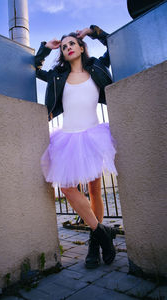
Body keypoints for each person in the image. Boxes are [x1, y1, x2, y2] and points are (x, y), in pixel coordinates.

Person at [35, 25, 118, 269]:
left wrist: (92, 31)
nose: (68, 47)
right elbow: (34, 68)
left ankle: (95, 244)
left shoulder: (97, 67)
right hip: (68, 138)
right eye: (64, 46)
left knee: (94, 190)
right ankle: (103, 234)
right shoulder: (57, 75)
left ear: (81, 48)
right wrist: (44, 49)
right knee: (68, 188)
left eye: (72, 43)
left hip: (94, 135)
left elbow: (112, 45)